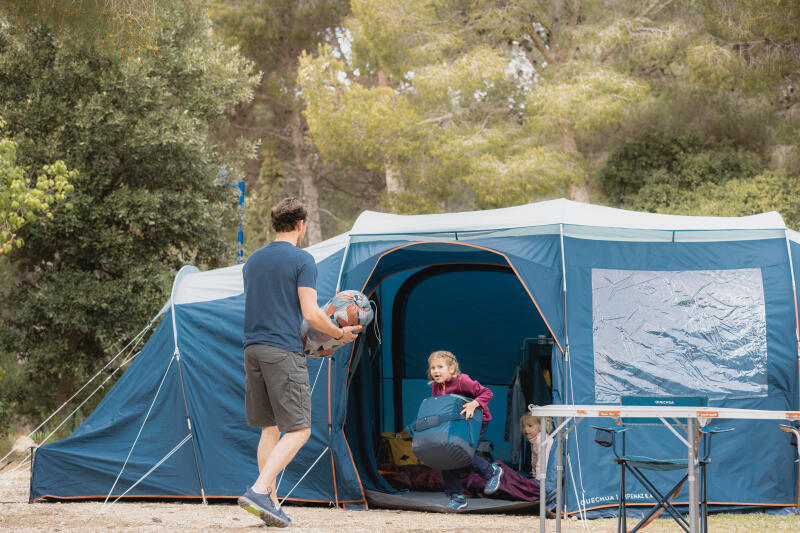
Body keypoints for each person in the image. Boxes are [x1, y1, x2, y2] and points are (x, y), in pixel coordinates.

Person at [238, 198, 361, 527]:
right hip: (281, 351)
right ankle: (260, 490)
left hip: (253, 348)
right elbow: (310, 313)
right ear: (302, 225)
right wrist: (337, 333)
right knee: (300, 430)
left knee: (271, 428)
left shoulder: (253, 261)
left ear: (275, 223)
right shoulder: (302, 259)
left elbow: (271, 307)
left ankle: (269, 505)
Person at [427, 350, 504, 510]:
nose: (435, 371)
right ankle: (457, 497)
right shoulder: (436, 386)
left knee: (462, 452)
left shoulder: (462, 381)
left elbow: (487, 393)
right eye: (433, 368)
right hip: (456, 424)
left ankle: (491, 472)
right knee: (445, 456)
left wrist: (473, 404)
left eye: (440, 367)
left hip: (476, 422)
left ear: (452, 369)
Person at [520, 411, 553, 479]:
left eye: (530, 426)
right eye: (524, 426)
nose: (526, 429)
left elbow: (543, 461)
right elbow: (534, 458)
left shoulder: (541, 439)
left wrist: (538, 478)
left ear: (540, 426)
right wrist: (534, 474)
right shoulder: (534, 440)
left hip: (548, 475)